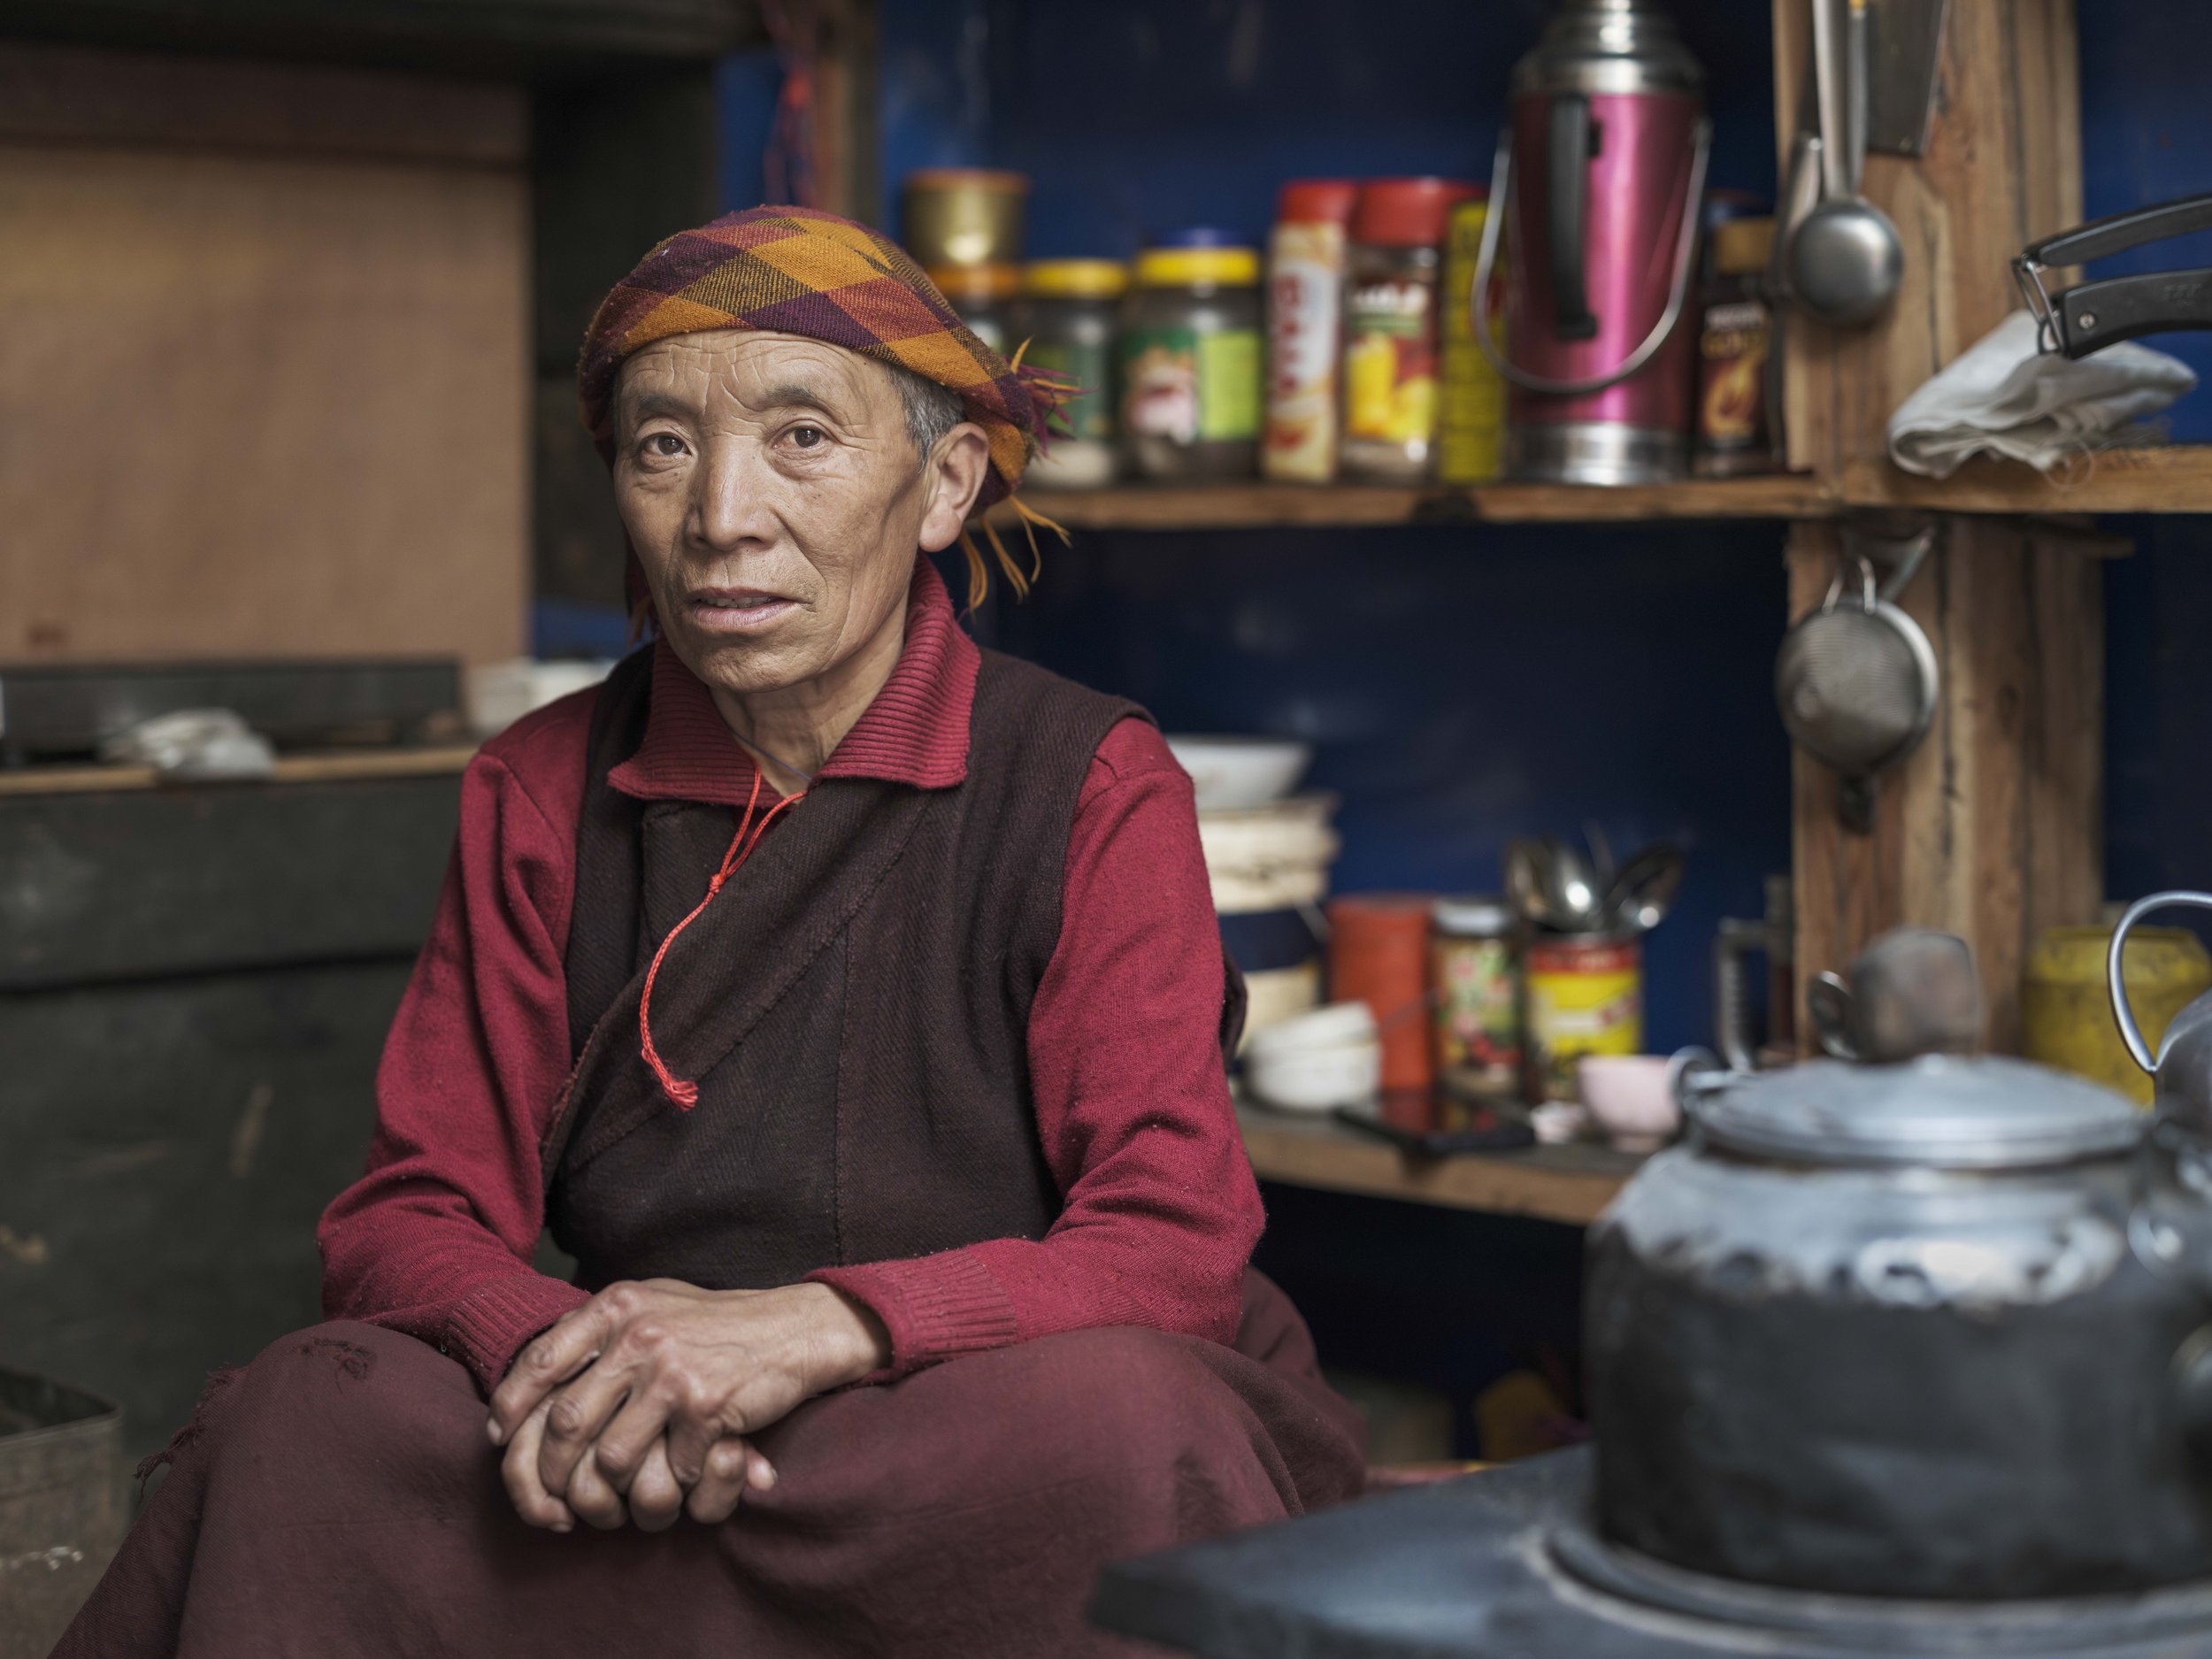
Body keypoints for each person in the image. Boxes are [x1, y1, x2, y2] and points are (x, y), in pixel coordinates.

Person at [54, 204, 1363, 1658]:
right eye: (663, 446)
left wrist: (807, 1331)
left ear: (943, 485)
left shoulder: (1086, 782)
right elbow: (407, 1220)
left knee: (1121, 1422)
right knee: (316, 1409)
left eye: (803, 436)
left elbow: (1172, 1245)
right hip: (631, 1431)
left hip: (966, 1420)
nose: (723, 515)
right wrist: (576, 1371)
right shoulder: (541, 786)